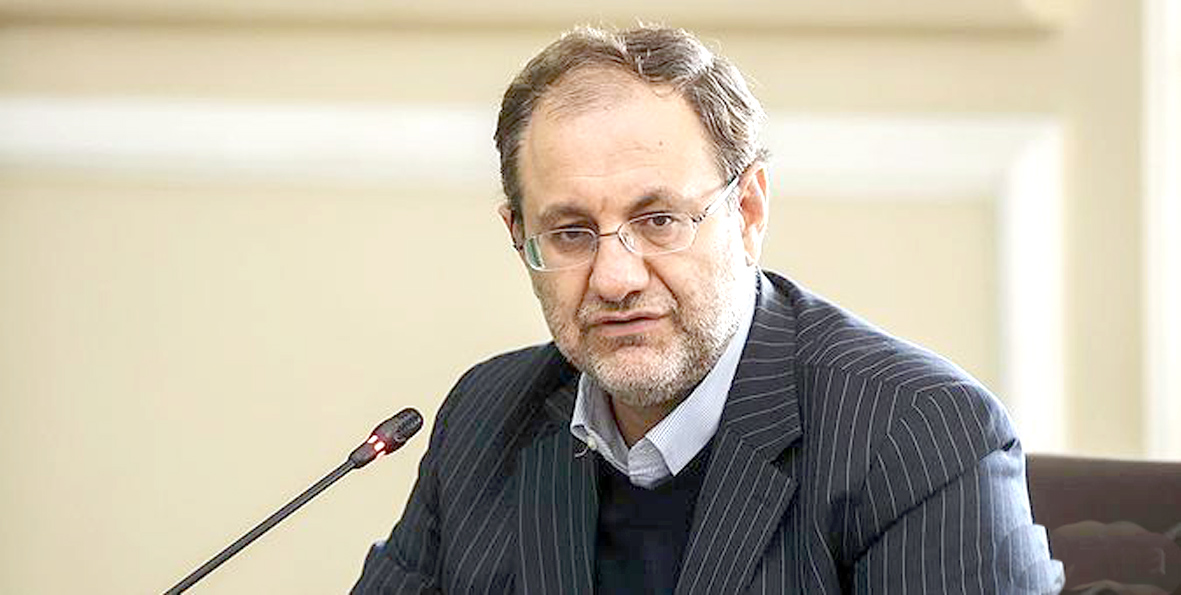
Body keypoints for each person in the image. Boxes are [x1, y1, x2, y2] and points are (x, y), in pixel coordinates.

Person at [352, 25, 1063, 594]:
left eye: (658, 220)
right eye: (570, 233)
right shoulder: (487, 417)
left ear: (748, 210)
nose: (615, 278)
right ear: (519, 237)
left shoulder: (914, 433)